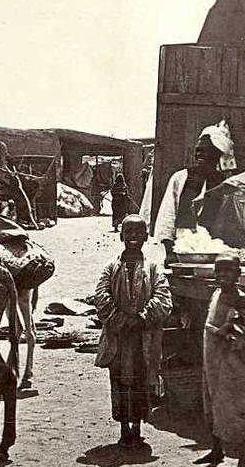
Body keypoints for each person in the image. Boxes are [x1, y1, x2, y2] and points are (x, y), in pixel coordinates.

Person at [93, 215, 173, 446]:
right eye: (128, 232)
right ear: (121, 236)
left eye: (138, 232)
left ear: (146, 236)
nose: (133, 237)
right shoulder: (111, 267)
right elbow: (101, 296)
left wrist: (143, 317)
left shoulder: (153, 268)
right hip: (119, 337)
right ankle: (123, 427)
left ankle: (137, 426)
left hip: (142, 337)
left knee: (140, 380)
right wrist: (119, 319)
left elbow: (163, 296)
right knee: (119, 380)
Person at [196, 252, 245, 467]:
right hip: (214, 359)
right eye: (219, 270)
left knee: (238, 407)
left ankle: (243, 462)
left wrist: (229, 333)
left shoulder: (239, 298)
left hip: (233, 362)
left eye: (228, 271)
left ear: (238, 274)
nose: (223, 275)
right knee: (213, 400)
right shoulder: (217, 294)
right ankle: (217, 450)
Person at [152, 121, 235, 264]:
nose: (199, 154)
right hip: (182, 250)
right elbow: (168, 215)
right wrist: (169, 251)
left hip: (214, 252)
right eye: (198, 150)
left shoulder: (225, 183)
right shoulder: (181, 178)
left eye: (205, 150)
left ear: (216, 155)